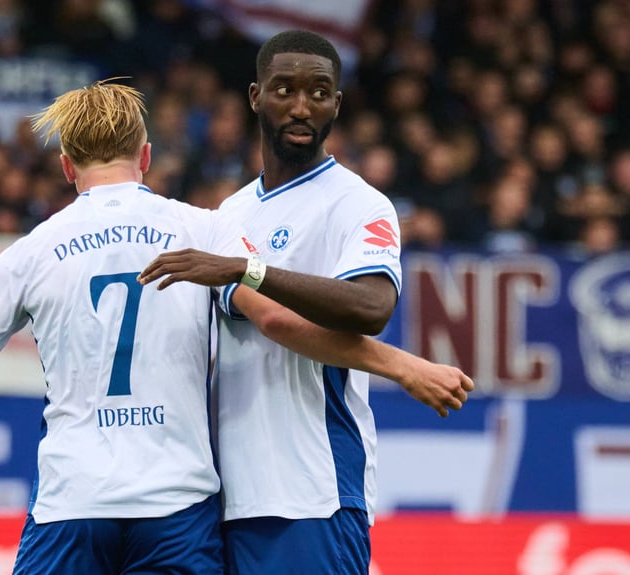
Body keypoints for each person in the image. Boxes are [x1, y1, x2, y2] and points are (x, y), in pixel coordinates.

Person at [0, 78, 471, 574]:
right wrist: (403, 365)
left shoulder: (33, 251)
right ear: (146, 158)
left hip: (74, 504)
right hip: (177, 512)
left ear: (68, 166)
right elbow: (283, 322)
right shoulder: (202, 231)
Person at [139, 29, 473, 574]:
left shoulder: (359, 205)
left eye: (318, 93)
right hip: (224, 495)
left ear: (336, 104)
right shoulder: (230, 214)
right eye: (284, 90)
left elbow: (371, 308)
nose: (301, 107)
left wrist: (248, 269)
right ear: (255, 97)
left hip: (312, 491)